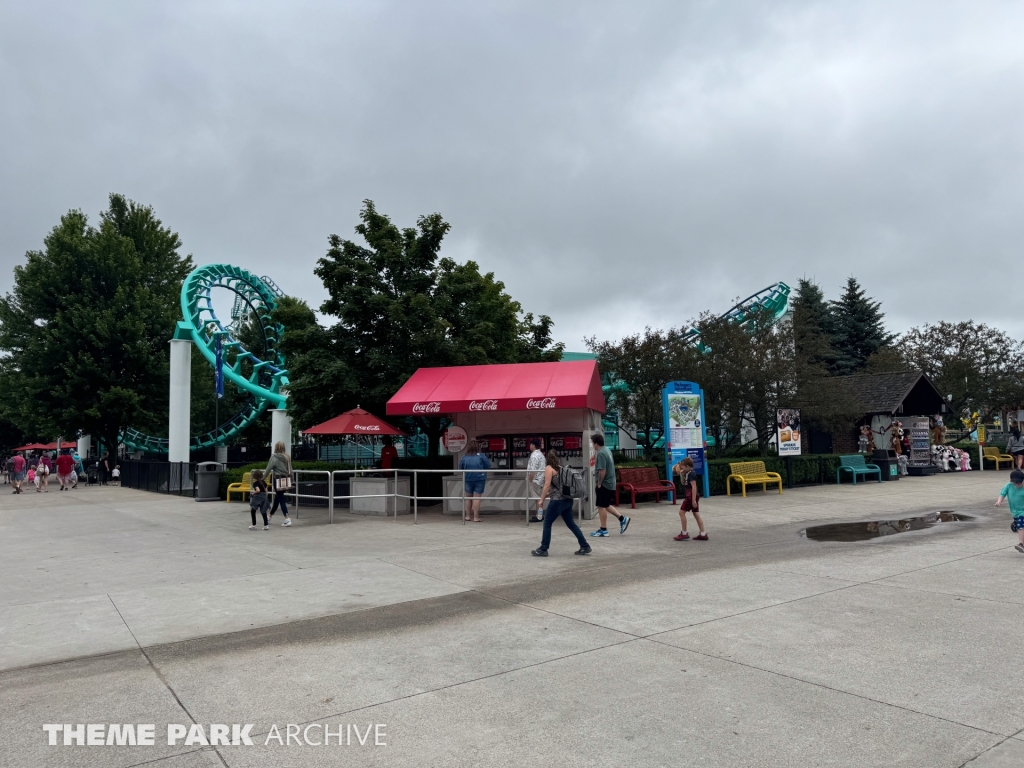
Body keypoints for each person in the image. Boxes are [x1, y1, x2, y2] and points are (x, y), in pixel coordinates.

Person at [531, 450, 591, 557]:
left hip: (557, 502)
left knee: (547, 523)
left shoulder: (549, 468)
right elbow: (559, 486)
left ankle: (543, 549)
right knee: (571, 524)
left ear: (548, 458)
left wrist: (542, 499)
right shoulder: (561, 468)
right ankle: (585, 546)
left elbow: (547, 485)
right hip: (567, 500)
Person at [589, 434, 629, 537]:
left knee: (601, 506)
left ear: (596, 443)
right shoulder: (607, 450)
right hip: (611, 483)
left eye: (592, 442)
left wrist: (599, 483)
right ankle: (622, 519)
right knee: (605, 504)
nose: (592, 444)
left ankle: (603, 529)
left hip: (605, 484)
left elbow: (602, 471)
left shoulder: (601, 453)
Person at [672, 456, 708, 541]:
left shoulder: (691, 474)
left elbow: (694, 487)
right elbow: (684, 483)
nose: (682, 468)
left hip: (690, 496)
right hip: (691, 496)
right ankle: (703, 533)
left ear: (688, 466)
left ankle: (684, 533)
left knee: (681, 513)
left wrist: (693, 500)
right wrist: (681, 475)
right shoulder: (687, 473)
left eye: (683, 466)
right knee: (696, 514)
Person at [459, 440, 491, 522]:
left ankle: (468, 516)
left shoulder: (464, 457)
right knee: (476, 498)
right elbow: (488, 466)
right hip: (480, 478)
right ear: (478, 447)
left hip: (468, 478)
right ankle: (476, 517)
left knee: (468, 498)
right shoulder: (481, 456)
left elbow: (460, 468)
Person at [265, 441, 294, 527]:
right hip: (286, 479)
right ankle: (269, 516)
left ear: (276, 447)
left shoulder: (274, 457)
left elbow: (268, 469)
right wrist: (292, 481)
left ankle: (287, 518)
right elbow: (291, 470)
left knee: (280, 498)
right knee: (278, 498)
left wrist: (262, 478)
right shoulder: (287, 457)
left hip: (277, 479)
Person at [996, 469, 1024, 553]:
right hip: (1015, 511)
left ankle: (1021, 544)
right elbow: (1002, 493)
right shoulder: (1009, 486)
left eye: (1019, 482)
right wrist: (999, 501)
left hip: (1023, 511)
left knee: (1021, 526)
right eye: (1015, 483)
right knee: (1018, 525)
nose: (1017, 484)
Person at [526, 438, 546, 522]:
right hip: (541, 479)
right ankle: (539, 515)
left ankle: (539, 516)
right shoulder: (541, 455)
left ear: (533, 445)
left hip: (535, 480)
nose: (529, 446)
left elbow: (533, 470)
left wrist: (530, 479)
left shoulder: (534, 455)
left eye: (530, 444)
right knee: (539, 498)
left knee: (538, 499)